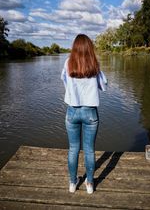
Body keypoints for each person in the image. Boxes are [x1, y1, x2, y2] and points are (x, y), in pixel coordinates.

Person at [61, 34, 107, 194]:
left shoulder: (68, 62)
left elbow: (64, 81)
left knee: (73, 148)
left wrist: (74, 90)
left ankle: (73, 184)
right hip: (90, 113)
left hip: (72, 111)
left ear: (74, 47)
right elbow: (103, 85)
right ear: (90, 48)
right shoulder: (94, 63)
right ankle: (89, 184)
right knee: (89, 150)